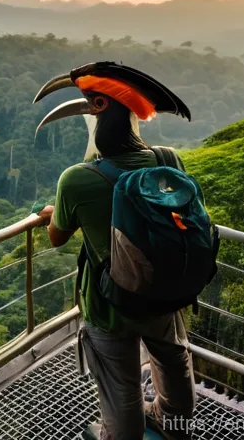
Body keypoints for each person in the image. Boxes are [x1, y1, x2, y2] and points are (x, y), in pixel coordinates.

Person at [33, 65, 197, 440]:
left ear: (105, 112)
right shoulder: (167, 160)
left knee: (122, 388)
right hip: (164, 289)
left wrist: (53, 214)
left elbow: (57, 237)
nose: (87, 108)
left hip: (108, 302)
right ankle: (173, 426)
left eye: (93, 104)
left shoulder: (76, 178)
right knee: (173, 363)